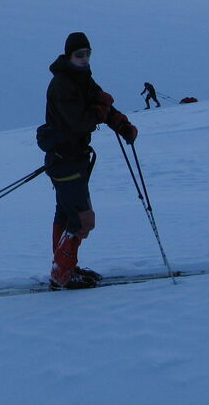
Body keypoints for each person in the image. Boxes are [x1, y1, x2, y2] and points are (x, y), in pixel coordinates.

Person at [43, 32, 138, 290]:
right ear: (69, 56)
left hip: (72, 160)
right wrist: (101, 109)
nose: (84, 59)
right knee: (82, 219)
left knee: (65, 214)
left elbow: (101, 105)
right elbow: (81, 121)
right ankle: (62, 274)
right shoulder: (62, 84)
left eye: (87, 54)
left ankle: (64, 268)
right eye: (79, 55)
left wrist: (122, 125)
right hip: (65, 161)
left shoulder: (83, 79)